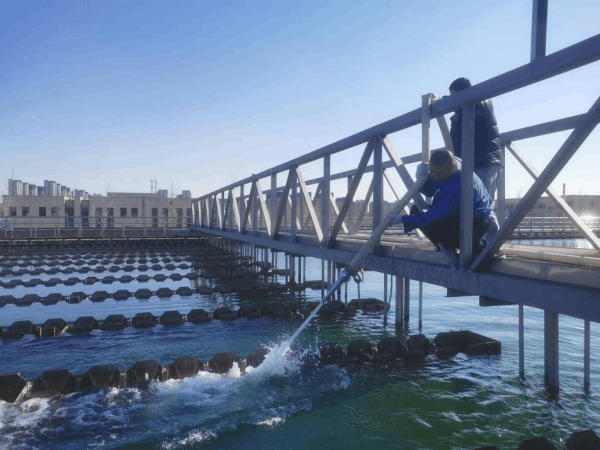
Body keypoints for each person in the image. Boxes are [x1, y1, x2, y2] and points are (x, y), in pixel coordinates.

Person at [390, 149, 495, 255]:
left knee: (422, 218)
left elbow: (431, 217)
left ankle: (476, 246)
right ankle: (461, 244)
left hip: (475, 224)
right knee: (416, 209)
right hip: (465, 216)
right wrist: (421, 178)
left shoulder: (456, 185)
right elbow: (430, 191)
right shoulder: (450, 166)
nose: (435, 176)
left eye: (439, 173)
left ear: (453, 167)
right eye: (432, 172)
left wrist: (401, 219)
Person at [448, 77, 503, 203]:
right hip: (471, 163)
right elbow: (454, 143)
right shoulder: (459, 115)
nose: (454, 101)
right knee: (470, 204)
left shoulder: (482, 100)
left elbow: (480, 104)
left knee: (483, 204)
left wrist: (451, 102)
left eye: (455, 96)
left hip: (487, 160)